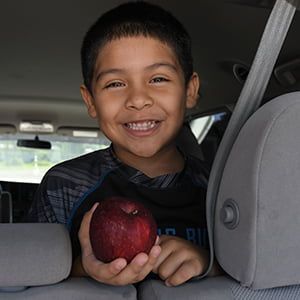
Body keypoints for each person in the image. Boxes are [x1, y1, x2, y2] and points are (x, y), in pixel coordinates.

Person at [27, 1, 221, 286]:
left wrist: (209, 263)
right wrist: (84, 267)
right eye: (115, 84)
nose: (138, 99)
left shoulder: (219, 190)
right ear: (91, 101)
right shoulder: (64, 185)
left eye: (158, 78)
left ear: (190, 91)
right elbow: (30, 271)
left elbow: (259, 267)